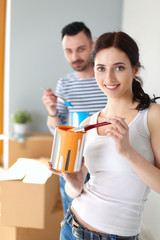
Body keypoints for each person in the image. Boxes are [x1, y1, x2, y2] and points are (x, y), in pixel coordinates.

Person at [48, 31, 160, 240]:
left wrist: (127, 152)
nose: (108, 78)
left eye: (119, 67)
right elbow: (76, 191)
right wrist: (72, 180)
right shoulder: (88, 123)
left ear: (135, 69)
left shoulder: (152, 116)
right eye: (101, 68)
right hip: (72, 228)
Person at [42, 22, 107, 240]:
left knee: (101, 224)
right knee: (72, 222)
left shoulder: (106, 81)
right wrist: (52, 111)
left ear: (92, 44)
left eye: (80, 49)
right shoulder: (65, 84)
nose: (74, 56)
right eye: (68, 51)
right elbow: (57, 129)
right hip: (70, 162)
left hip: (101, 164)